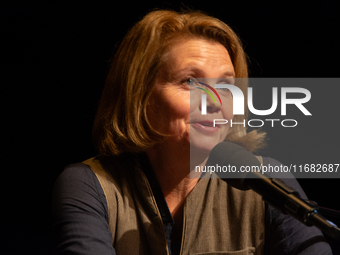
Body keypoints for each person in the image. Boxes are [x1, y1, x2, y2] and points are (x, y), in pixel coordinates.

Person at [52, 9, 333, 254]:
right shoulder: (90, 185)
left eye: (225, 85)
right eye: (189, 81)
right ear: (140, 95)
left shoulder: (266, 182)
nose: (215, 102)